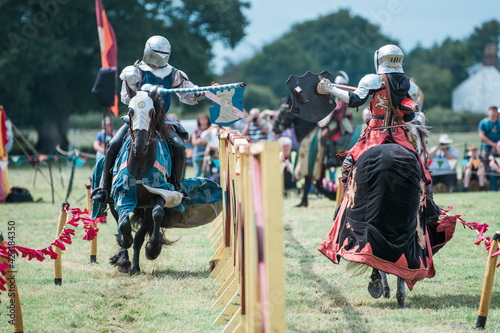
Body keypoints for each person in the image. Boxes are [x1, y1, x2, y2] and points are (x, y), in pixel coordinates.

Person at [91, 35, 206, 206]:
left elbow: (187, 94)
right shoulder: (135, 71)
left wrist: (201, 92)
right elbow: (125, 98)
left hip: (161, 119)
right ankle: (104, 189)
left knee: (179, 147)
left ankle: (177, 186)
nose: (160, 57)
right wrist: (142, 92)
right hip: (139, 117)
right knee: (114, 144)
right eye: (157, 53)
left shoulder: (173, 73)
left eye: (163, 53)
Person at [316, 44, 429, 185]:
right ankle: (427, 200)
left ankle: (350, 198)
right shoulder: (411, 87)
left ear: (380, 60)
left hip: (376, 135)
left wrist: (331, 89)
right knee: (421, 165)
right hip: (401, 136)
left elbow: (354, 99)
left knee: (348, 164)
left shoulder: (373, 80)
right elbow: (409, 117)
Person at [318, 71, 353, 167]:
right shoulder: (339, 94)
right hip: (337, 118)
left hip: (340, 120)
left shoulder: (344, 94)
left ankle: (332, 158)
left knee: (325, 134)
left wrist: (331, 111)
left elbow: (339, 109)